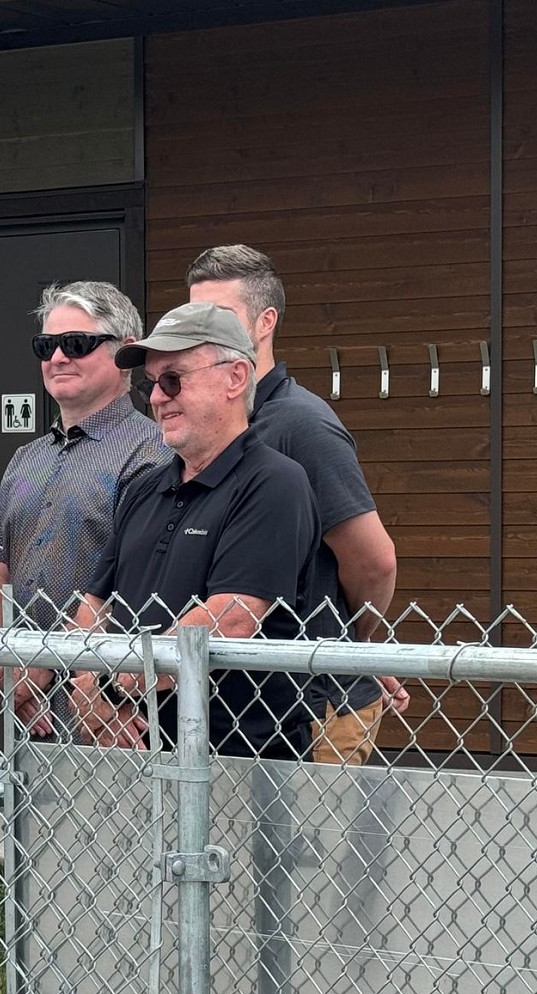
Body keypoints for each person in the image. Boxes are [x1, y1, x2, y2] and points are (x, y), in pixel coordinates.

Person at [186, 244, 407, 765]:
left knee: (308, 847)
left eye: (220, 317)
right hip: (233, 707)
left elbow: (373, 560)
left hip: (311, 705)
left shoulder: (300, 425)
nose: (203, 331)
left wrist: (352, 642)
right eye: (195, 317)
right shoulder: (203, 430)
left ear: (266, 322)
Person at [71, 303, 318, 759]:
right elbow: (95, 601)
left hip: (236, 765)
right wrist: (87, 689)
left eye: (173, 379)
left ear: (235, 377)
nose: (157, 397)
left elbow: (230, 619)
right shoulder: (146, 486)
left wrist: (111, 688)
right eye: (151, 384)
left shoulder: (274, 482)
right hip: (133, 757)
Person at [0, 281, 167, 734]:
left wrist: (40, 669)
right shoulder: (26, 458)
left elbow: (132, 579)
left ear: (125, 352)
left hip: (110, 710)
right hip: (26, 714)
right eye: (46, 346)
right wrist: (11, 675)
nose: (57, 358)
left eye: (77, 344)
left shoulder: (155, 453)